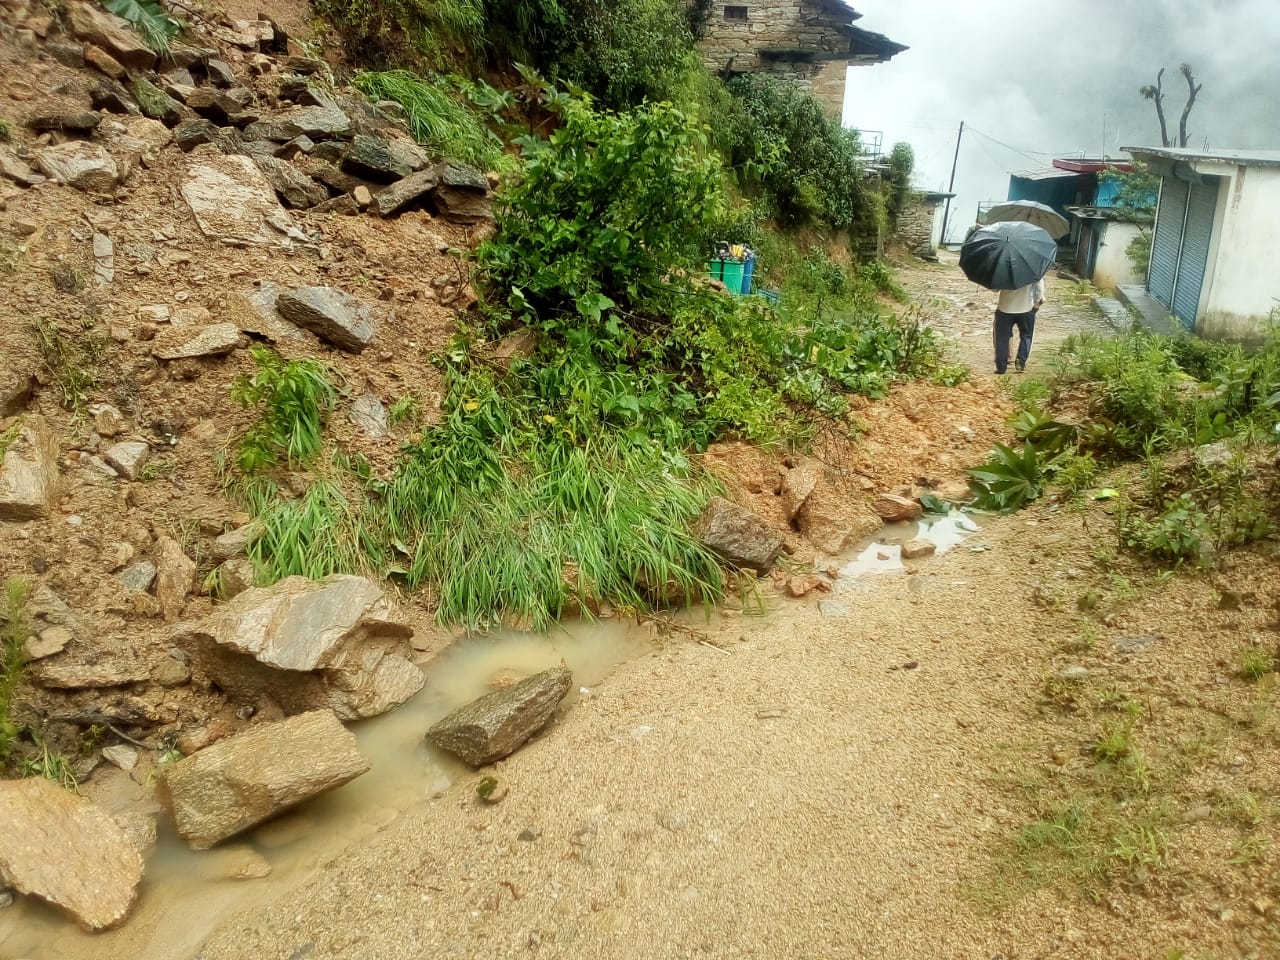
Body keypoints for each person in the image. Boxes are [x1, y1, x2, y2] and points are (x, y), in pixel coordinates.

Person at [993, 275, 1045, 374]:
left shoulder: (1003, 267)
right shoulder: (1032, 268)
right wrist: (1037, 302)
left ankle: (1001, 367)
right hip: (1026, 308)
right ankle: (1020, 363)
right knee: (1026, 336)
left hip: (1005, 308)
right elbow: (1039, 285)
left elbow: (995, 289)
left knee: (1002, 338)